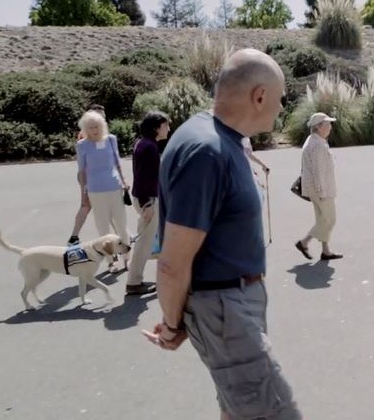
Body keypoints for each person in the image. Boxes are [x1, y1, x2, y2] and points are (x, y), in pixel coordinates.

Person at [143, 49, 301, 420]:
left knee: (237, 411)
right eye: (279, 100)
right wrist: (172, 323)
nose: (280, 109)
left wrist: (179, 320)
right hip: (225, 310)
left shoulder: (213, 136)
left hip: (229, 307)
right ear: (259, 96)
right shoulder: (207, 151)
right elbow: (172, 262)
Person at [75, 110, 130, 273]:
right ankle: (111, 261)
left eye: (97, 126)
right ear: (85, 129)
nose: (94, 130)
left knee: (121, 224)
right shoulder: (82, 145)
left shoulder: (111, 139)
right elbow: (82, 171)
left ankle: (127, 259)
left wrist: (124, 181)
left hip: (114, 187)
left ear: (102, 126)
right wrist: (83, 194)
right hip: (95, 190)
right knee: (102, 228)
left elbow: (117, 162)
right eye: (90, 127)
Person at [126, 111, 170, 296]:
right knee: (144, 242)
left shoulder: (145, 144)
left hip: (146, 198)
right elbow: (144, 177)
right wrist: (147, 204)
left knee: (147, 241)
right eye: (165, 125)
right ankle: (134, 283)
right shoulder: (149, 147)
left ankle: (136, 280)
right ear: (156, 128)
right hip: (148, 200)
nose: (168, 128)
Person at [294, 112, 343, 261]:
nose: (330, 127)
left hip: (316, 188)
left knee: (322, 218)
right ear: (318, 127)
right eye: (327, 124)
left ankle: (325, 251)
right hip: (321, 189)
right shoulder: (317, 145)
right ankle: (304, 242)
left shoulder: (316, 140)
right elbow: (318, 171)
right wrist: (322, 191)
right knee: (330, 219)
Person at [67, 104, 108, 246]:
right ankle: (74, 236)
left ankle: (121, 233)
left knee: (105, 206)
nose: (102, 118)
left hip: (98, 176)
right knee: (87, 205)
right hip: (88, 175)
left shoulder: (102, 133)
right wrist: (85, 183)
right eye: (99, 115)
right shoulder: (85, 135)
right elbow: (84, 162)